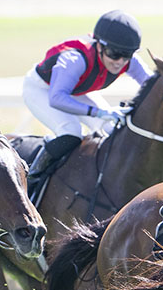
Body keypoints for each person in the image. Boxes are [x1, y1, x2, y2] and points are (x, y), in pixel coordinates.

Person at [22, 9, 153, 182]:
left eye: (127, 55)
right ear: (99, 46)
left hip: (76, 91)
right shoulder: (75, 59)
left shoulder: (129, 61)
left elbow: (153, 85)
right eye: (114, 54)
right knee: (71, 131)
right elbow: (57, 98)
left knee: (112, 129)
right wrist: (98, 112)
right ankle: (32, 179)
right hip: (42, 90)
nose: (120, 61)